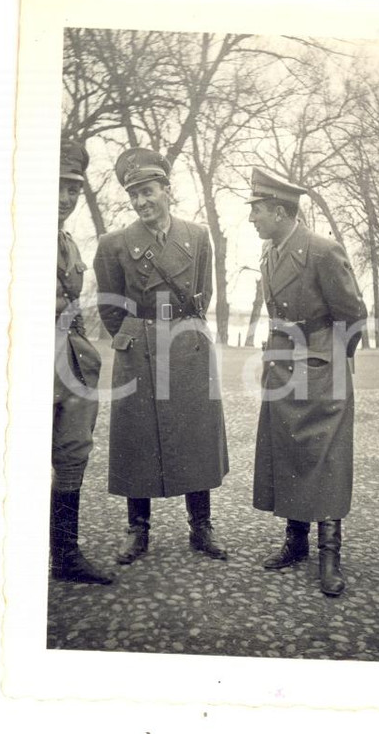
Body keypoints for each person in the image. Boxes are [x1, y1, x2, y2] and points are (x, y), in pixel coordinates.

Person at [93, 147, 229, 565]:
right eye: (134, 195)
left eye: (148, 191)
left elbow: (202, 294)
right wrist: (136, 337)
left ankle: (201, 527)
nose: (141, 202)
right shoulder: (114, 244)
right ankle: (138, 531)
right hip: (140, 349)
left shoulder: (198, 236)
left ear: (167, 190)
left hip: (187, 346)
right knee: (136, 438)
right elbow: (110, 306)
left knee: (196, 436)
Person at [247, 167, 367, 596]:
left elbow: (354, 315)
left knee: (324, 457)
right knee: (289, 451)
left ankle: (330, 554)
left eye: (257, 210)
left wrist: (333, 362)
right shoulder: (269, 253)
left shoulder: (322, 250)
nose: (252, 219)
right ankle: (295, 543)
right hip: (281, 363)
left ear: (279, 211)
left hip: (321, 365)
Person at [51, 139, 114, 584]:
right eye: (57, 186)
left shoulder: (69, 244)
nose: (66, 198)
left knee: (73, 455)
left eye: (73, 189)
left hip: (70, 364)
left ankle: (65, 555)